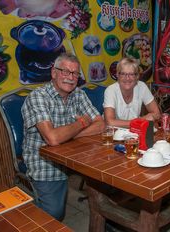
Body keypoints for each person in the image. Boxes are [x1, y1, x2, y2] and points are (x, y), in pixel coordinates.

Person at [21, 53, 105, 221]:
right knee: (53, 214)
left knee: (109, 180)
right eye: (65, 72)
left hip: (77, 155)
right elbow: (52, 138)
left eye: (75, 73)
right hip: (45, 162)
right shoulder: (38, 97)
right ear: (53, 73)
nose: (71, 78)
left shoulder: (78, 94)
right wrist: (81, 123)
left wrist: (69, 136)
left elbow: (101, 124)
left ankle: (106, 218)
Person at [103, 57, 161, 127]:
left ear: (137, 76)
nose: (127, 78)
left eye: (131, 74)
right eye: (123, 74)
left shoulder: (142, 86)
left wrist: (139, 122)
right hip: (114, 134)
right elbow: (110, 122)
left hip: (135, 132)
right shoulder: (110, 90)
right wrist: (141, 120)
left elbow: (157, 114)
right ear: (117, 75)